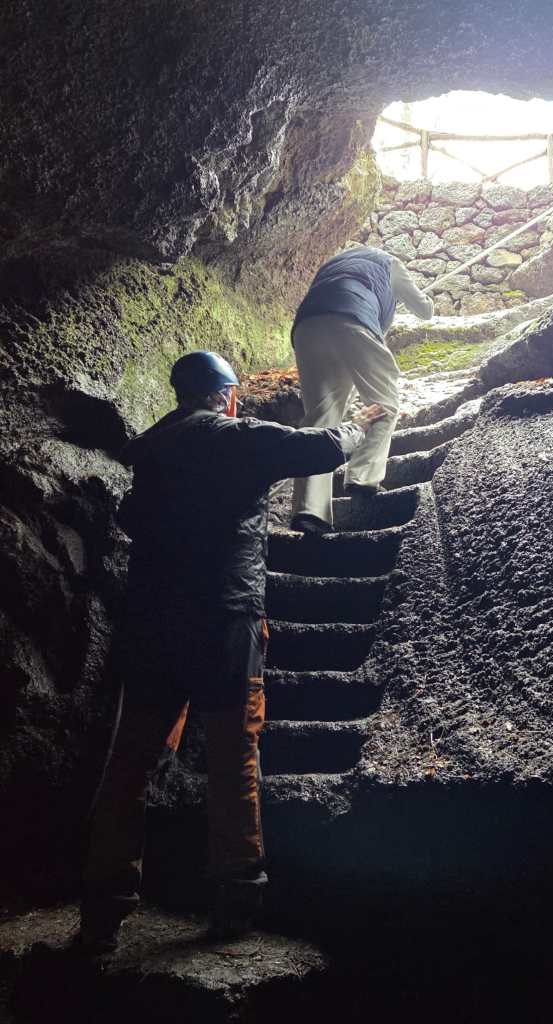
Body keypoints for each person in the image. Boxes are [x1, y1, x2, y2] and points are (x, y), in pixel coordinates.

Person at [78, 350, 385, 953]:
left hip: (149, 626)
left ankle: (102, 909)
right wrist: (363, 421)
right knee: (231, 754)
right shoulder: (237, 435)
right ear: (227, 395)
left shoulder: (153, 450)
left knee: (130, 762)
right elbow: (321, 448)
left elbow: (134, 517)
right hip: (225, 618)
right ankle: (236, 897)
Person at [290, 245, 434, 534]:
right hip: (352, 320)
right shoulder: (390, 262)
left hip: (307, 327)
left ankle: (309, 510)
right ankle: (363, 476)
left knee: (320, 417)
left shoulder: (333, 262)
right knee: (384, 401)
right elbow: (424, 311)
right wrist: (426, 300)